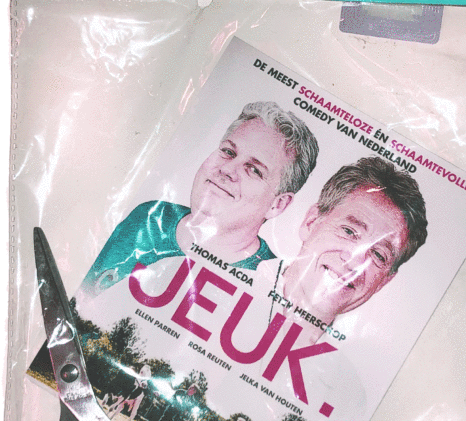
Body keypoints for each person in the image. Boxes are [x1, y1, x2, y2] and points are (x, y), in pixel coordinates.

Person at [81, 101, 319, 296]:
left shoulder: (270, 287)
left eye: (254, 170)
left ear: (277, 204)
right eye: (228, 152)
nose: (227, 169)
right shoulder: (150, 217)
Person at [261, 157, 428, 338]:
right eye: (349, 231)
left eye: (379, 255)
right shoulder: (239, 276)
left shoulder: (357, 354)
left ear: (384, 281)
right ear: (311, 222)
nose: (355, 261)